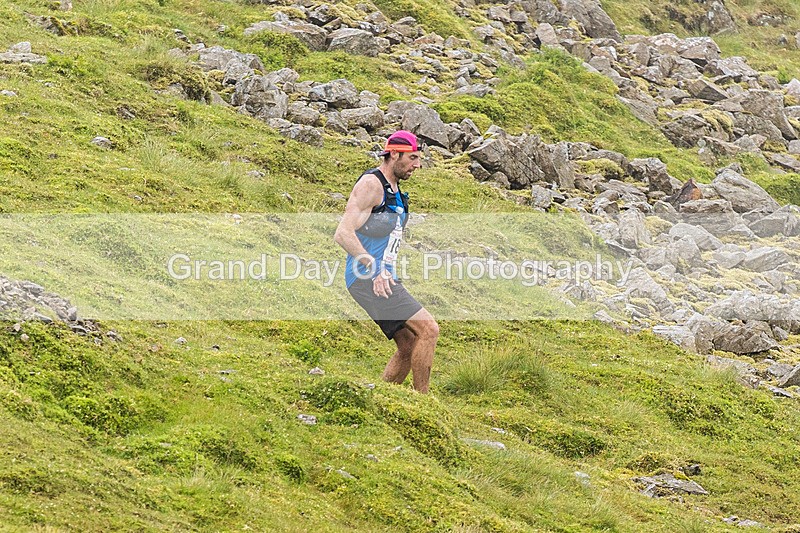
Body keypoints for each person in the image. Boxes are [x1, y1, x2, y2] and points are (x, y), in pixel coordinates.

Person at [334, 130, 439, 393]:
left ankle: (381, 398)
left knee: (409, 344)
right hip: (367, 276)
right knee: (428, 329)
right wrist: (376, 268)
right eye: (412, 158)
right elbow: (343, 233)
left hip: (381, 277)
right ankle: (423, 405)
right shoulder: (371, 185)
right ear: (394, 154)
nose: (418, 165)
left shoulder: (395, 191)